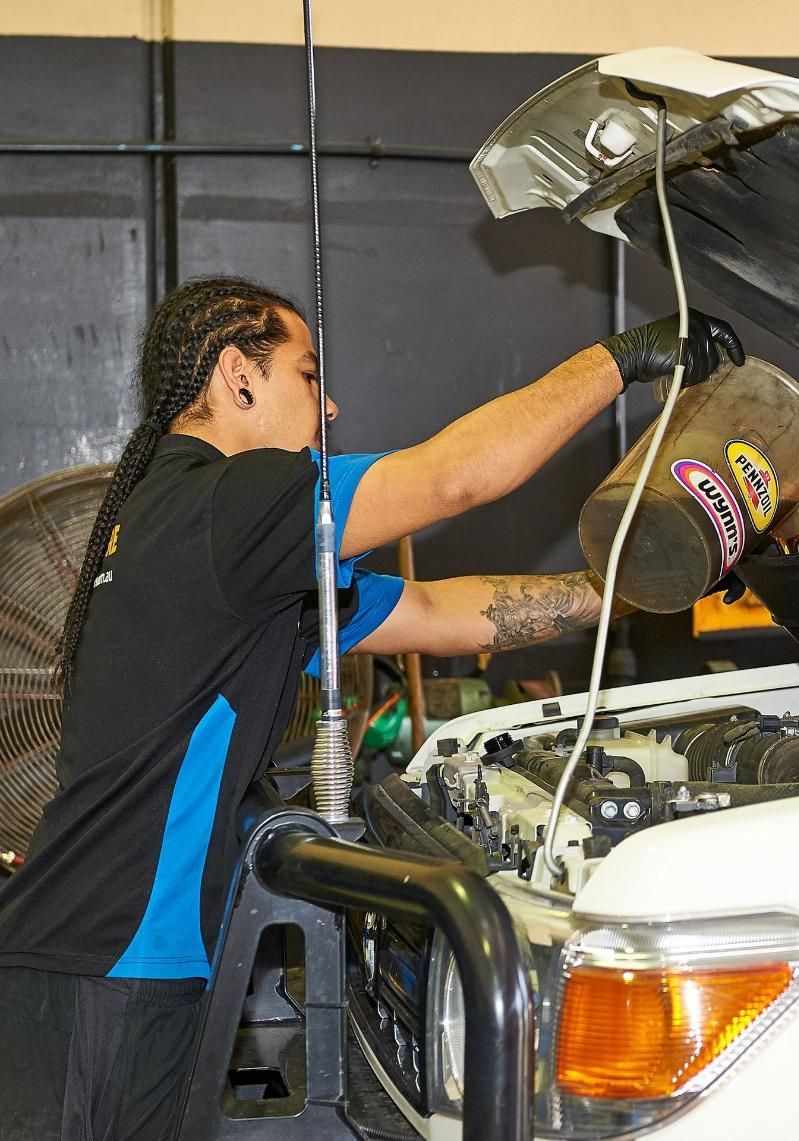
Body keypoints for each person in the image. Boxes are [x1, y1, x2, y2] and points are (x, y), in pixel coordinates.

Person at [0, 276, 744, 1140]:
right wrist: (619, 359)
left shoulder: (216, 536)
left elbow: (438, 614)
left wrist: (632, 583)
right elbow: (457, 478)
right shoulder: (227, 504)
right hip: (110, 955)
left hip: (94, 953)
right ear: (238, 377)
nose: (330, 405)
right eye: (308, 376)